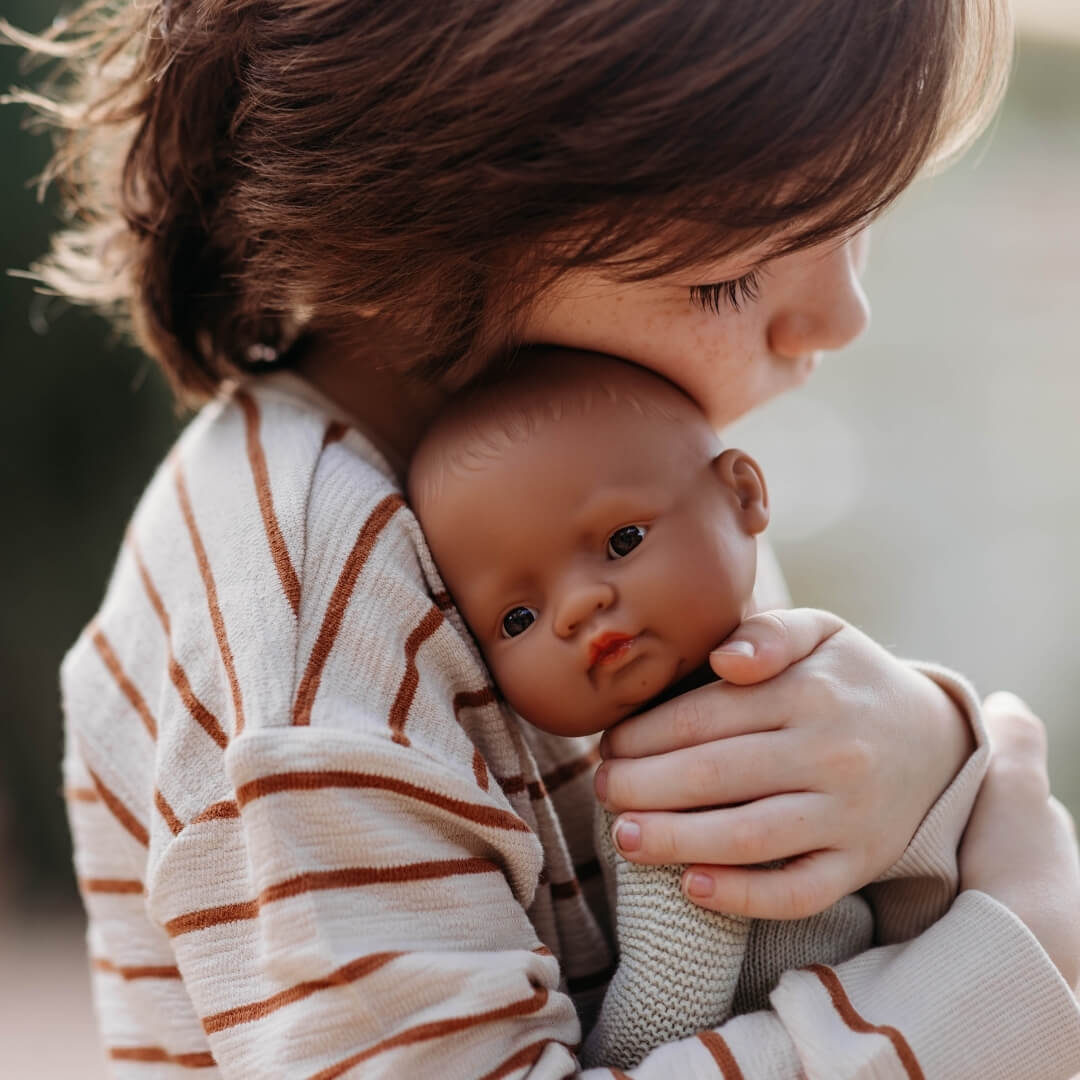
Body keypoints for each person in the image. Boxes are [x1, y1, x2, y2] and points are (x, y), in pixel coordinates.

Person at [8, 1, 1080, 1076]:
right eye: (727, 277)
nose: (842, 318)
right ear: (430, 219)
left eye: (858, 211)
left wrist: (924, 773)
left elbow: (775, 914)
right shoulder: (309, 622)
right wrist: (1009, 971)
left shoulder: (601, 463)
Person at [406, 347, 993, 1070]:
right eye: (519, 618)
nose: (578, 607)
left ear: (743, 494)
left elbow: (668, 1007)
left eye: (622, 541)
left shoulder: (678, 769)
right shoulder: (802, 696)